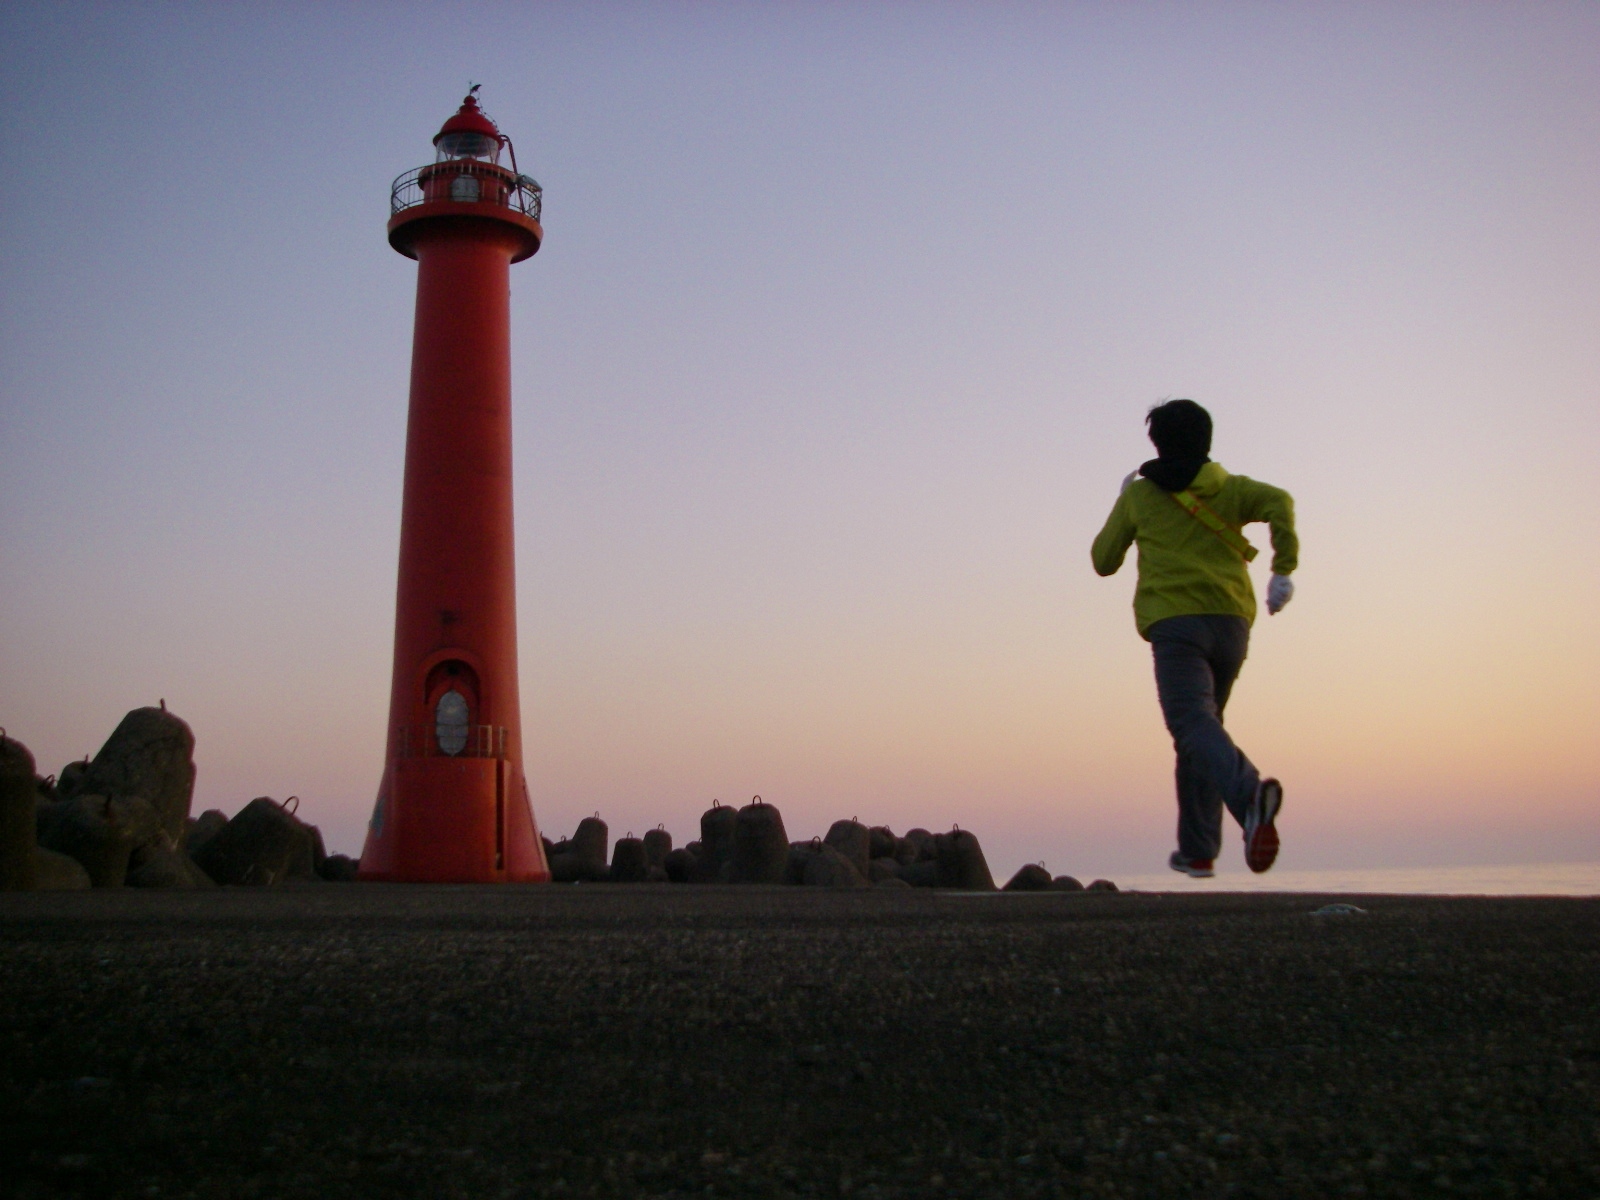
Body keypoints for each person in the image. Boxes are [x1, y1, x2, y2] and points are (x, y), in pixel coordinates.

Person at [1091, 399, 1298, 877]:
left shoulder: (1141, 497)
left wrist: (1121, 500)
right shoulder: (1229, 488)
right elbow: (1280, 502)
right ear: (1207, 438)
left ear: (1156, 443)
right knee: (1203, 730)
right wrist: (1282, 571)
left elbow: (1103, 561)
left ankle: (1250, 799)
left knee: (1192, 725)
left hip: (1176, 626)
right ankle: (1198, 851)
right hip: (1231, 624)